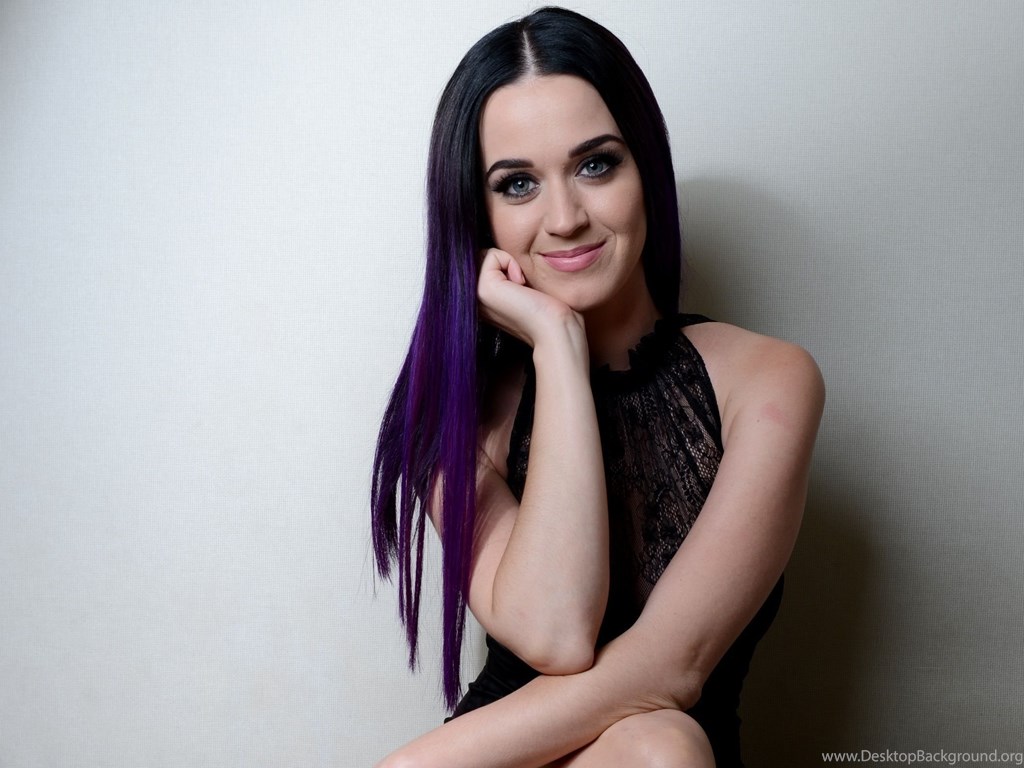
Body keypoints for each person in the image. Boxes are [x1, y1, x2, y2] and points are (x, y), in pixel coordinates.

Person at [370, 7, 824, 767]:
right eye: (518, 184)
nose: (565, 218)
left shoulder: (768, 383)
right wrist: (557, 344)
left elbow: (670, 669)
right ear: (478, 214)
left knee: (658, 743)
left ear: (645, 169)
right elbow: (557, 633)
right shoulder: (456, 427)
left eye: (596, 165)